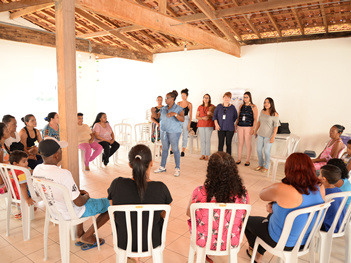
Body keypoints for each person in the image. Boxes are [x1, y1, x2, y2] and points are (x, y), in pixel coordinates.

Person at [245, 153, 325, 263]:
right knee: (271, 214)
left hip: (283, 243)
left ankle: (256, 254)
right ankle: (258, 252)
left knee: (246, 221)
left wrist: (276, 197)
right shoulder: (320, 187)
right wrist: (275, 204)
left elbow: (262, 195)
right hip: (305, 241)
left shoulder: (282, 188)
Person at [33, 137, 109, 250]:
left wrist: (77, 193)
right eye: (61, 150)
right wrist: (86, 196)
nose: (62, 152)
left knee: (75, 196)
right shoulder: (63, 174)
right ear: (56, 155)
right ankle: (88, 237)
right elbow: (79, 203)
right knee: (111, 203)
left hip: (54, 211)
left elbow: (40, 192)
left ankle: (79, 235)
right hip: (71, 212)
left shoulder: (37, 169)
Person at [107, 144, 172, 261]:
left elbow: (114, 209)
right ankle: (135, 258)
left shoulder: (116, 184)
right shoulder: (161, 188)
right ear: (152, 163)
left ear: (130, 165)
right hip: (152, 242)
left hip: (123, 241)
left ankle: (133, 257)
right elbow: (164, 214)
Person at [186, 151, 249, 262]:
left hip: (203, 240)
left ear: (210, 170)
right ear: (233, 170)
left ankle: (208, 254)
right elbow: (243, 215)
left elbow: (188, 213)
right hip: (231, 241)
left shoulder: (199, 191)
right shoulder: (242, 193)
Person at [151, 90, 184, 177]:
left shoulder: (179, 109)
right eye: (165, 98)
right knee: (165, 149)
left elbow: (182, 119)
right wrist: (153, 111)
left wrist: (175, 114)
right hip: (163, 131)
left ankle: (177, 168)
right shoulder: (163, 109)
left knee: (175, 149)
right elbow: (157, 117)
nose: (165, 100)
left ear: (172, 99)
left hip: (174, 132)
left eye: (167, 98)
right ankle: (162, 167)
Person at [6, 151, 35, 220]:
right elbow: (22, 186)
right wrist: (27, 199)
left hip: (13, 192)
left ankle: (27, 207)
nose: (27, 163)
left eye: (27, 161)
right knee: (37, 188)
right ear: (15, 163)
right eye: (24, 161)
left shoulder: (11, 170)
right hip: (21, 193)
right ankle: (28, 206)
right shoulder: (21, 172)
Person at [254, 97, 280, 173]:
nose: (266, 104)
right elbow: (259, 122)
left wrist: (273, 137)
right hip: (260, 134)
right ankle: (260, 164)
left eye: (268, 102)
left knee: (266, 151)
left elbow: (276, 127)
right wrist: (256, 130)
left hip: (268, 136)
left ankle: (266, 166)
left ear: (271, 104)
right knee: (258, 150)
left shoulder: (275, 114)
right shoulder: (262, 111)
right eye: (265, 102)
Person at [319, 164, 346, 233]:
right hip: (341, 225)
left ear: (324, 179)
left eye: (319, 175)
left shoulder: (324, 194)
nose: (318, 176)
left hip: (328, 227)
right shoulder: (339, 191)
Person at [235, 92, 258, 166]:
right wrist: (236, 125)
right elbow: (239, 117)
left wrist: (253, 129)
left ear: (250, 98)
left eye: (246, 97)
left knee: (248, 143)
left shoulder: (253, 106)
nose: (245, 98)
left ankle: (247, 160)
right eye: (244, 97)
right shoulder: (241, 106)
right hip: (240, 126)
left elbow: (255, 119)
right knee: (240, 143)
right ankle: (239, 159)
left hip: (249, 127)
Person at [196, 94, 215, 161]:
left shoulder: (212, 107)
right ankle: (203, 154)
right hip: (201, 125)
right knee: (202, 140)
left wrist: (211, 114)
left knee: (207, 140)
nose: (206, 99)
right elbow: (197, 116)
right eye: (205, 98)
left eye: (207, 98)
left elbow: (215, 116)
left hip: (209, 125)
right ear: (203, 99)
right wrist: (202, 118)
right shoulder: (200, 107)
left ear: (209, 99)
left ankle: (207, 155)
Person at [177, 88, 193, 157]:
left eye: (184, 95)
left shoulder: (189, 104)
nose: (183, 97)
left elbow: (191, 115)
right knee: (177, 135)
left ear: (187, 96)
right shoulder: (178, 103)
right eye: (182, 95)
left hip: (186, 119)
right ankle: (173, 149)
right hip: (179, 119)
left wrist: (189, 124)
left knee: (185, 136)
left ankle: (183, 151)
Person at [0, 122, 11, 187]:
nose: (8, 131)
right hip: (5, 173)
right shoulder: (0, 148)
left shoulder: (3, 144)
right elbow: (0, 167)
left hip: (9, 169)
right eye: (7, 130)